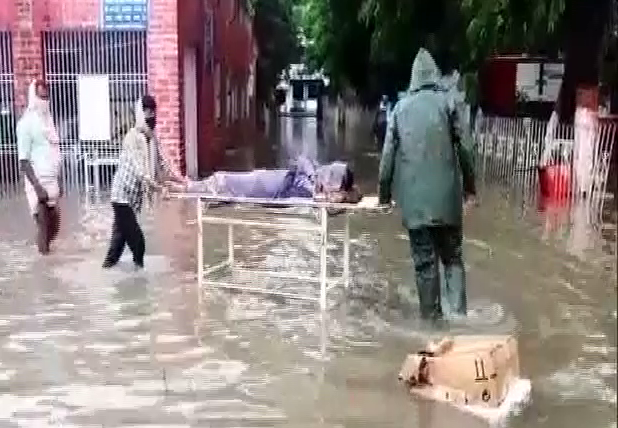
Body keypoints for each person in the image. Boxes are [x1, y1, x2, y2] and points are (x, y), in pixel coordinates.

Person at [378, 48, 477, 321]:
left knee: (425, 265)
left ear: (412, 78)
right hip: (448, 204)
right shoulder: (449, 103)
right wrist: (471, 190)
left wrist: (384, 197)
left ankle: (432, 325)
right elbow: (466, 149)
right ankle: (460, 320)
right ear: (434, 75)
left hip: (416, 210)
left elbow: (386, 159)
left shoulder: (399, 110)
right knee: (453, 260)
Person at [103, 95, 187, 269]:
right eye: (148, 112)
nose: (152, 116)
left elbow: (164, 165)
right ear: (141, 113)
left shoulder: (153, 139)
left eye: (153, 112)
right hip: (121, 198)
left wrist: (182, 180)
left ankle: (110, 276)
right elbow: (141, 172)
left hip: (133, 200)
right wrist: (158, 188)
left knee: (117, 246)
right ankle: (139, 282)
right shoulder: (131, 138)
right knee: (138, 243)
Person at [176, 156, 361, 204]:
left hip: (268, 187)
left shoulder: (317, 194)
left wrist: (324, 193)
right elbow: (303, 159)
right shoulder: (314, 178)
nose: (325, 178)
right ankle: (185, 186)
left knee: (224, 182)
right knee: (224, 182)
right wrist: (313, 177)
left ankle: (185, 187)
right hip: (268, 181)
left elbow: (348, 197)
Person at [17, 79, 63, 255]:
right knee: (44, 229)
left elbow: (56, 152)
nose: (44, 101)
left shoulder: (49, 122)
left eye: (46, 97)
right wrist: (37, 187)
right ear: (33, 97)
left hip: (52, 182)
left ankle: (45, 259)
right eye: (41, 97)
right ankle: (44, 267)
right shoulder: (26, 124)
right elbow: (24, 161)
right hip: (38, 184)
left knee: (55, 228)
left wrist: (60, 181)